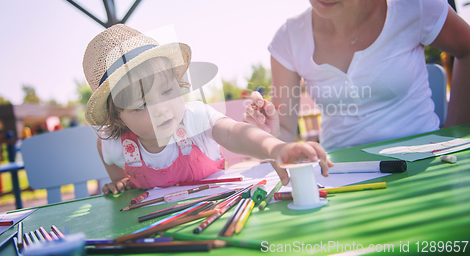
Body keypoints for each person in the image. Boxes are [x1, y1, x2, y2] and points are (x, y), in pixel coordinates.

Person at [244, 0, 470, 151]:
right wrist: (267, 131)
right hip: (342, 174)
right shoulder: (288, 40)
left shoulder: (414, 6)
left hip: (425, 161)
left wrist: (457, 134)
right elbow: (285, 132)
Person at [82, 24, 332, 194]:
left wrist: (275, 147)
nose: (162, 109)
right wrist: (120, 181)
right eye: (142, 105)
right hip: (159, 229)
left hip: (219, 213)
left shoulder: (194, 118)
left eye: (168, 91)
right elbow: (104, 150)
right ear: (118, 118)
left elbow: (234, 132)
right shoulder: (116, 145)